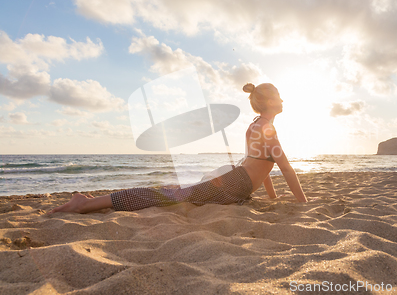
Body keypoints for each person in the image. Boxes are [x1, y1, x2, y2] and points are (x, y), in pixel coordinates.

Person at [48, 82, 307, 214]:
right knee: (167, 196)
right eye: (279, 96)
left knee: (173, 194)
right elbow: (284, 169)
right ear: (271, 101)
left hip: (236, 180)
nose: (283, 100)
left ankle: (94, 201)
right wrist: (303, 202)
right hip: (233, 184)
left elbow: (260, 166)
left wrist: (272, 199)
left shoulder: (255, 125)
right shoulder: (268, 129)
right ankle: (85, 203)